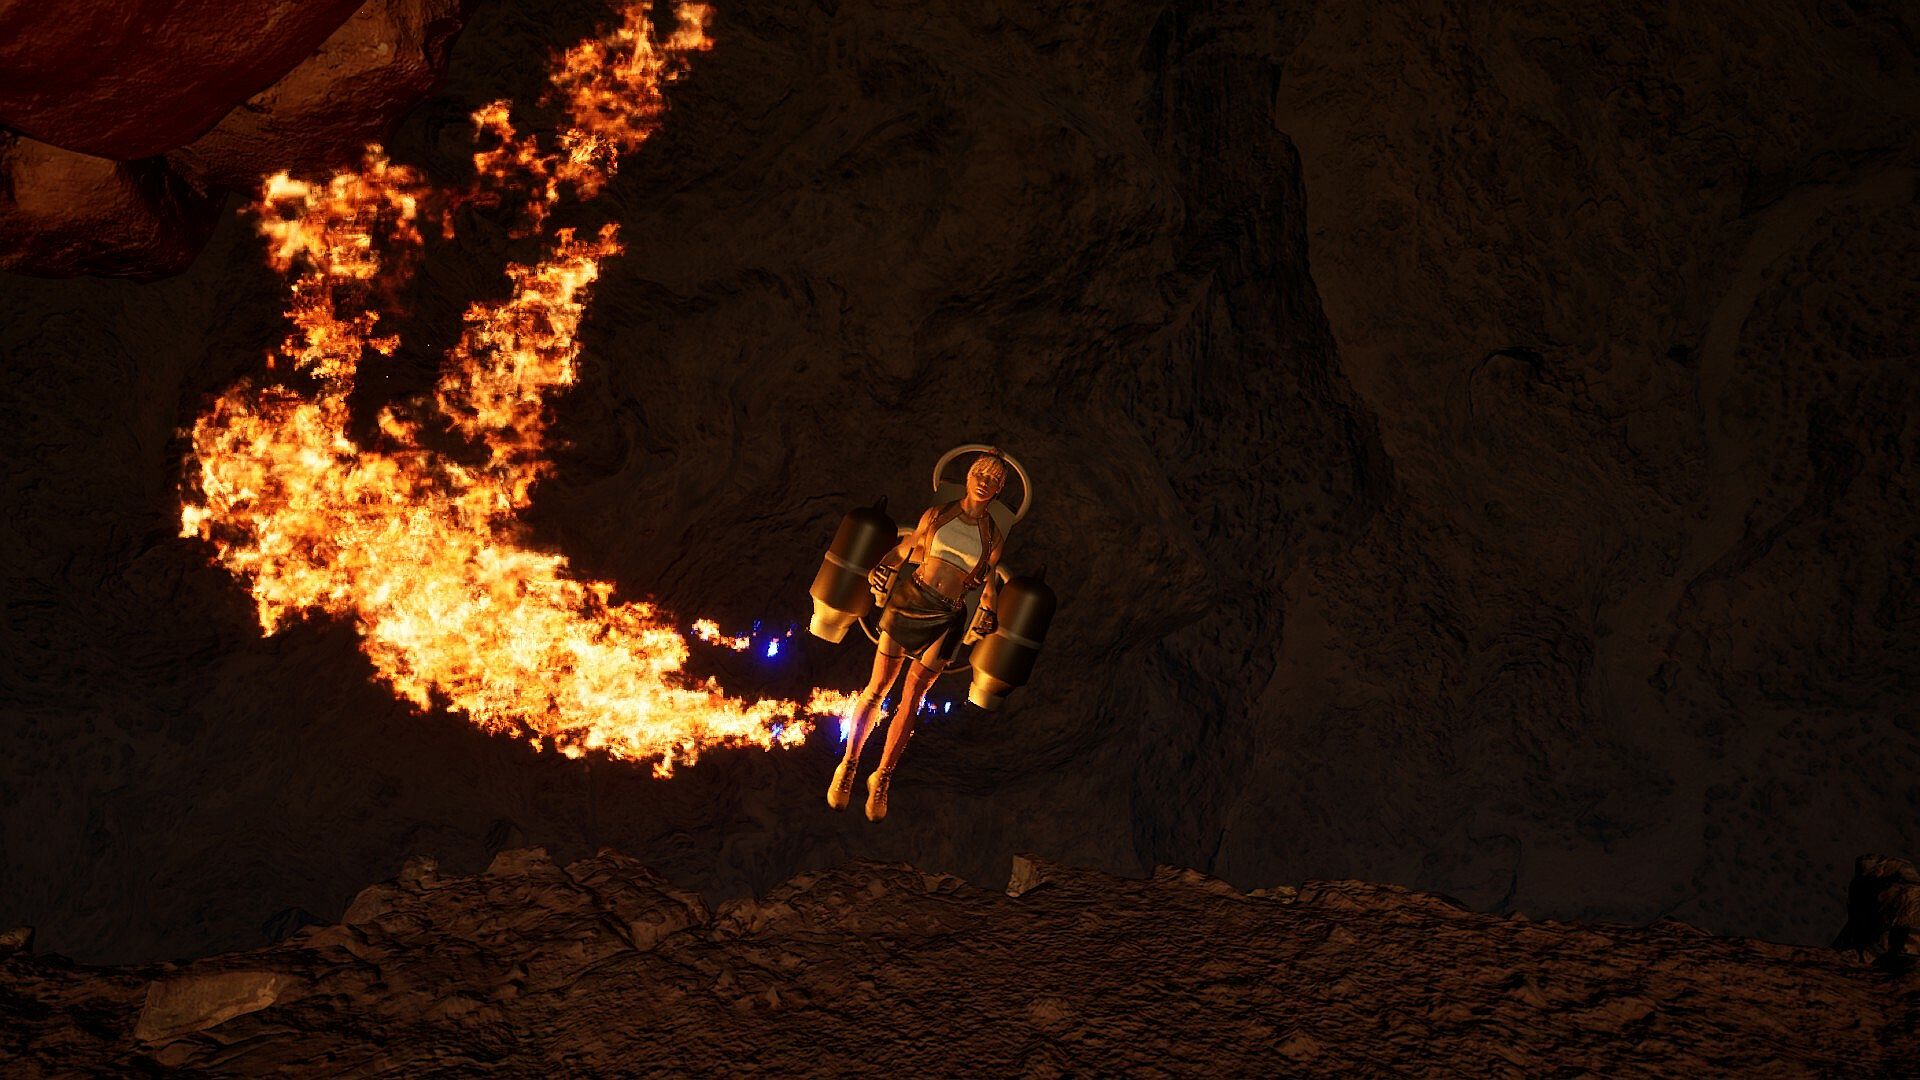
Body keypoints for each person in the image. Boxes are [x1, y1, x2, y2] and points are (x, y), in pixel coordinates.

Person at [827, 450, 1009, 820]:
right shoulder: (938, 514)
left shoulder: (993, 536)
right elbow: (908, 547)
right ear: (968, 476)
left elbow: (987, 586)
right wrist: (884, 565)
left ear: (998, 489)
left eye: (993, 479)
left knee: (912, 697)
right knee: (878, 688)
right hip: (912, 598)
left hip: (949, 615)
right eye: (980, 473)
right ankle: (848, 765)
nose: (984, 481)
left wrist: (989, 613)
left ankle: (882, 777)